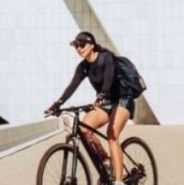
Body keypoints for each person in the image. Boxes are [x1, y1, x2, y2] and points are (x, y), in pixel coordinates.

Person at [45, 31, 135, 185]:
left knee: (112, 135)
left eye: (82, 45)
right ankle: (106, 160)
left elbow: (109, 77)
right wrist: (57, 104)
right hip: (105, 102)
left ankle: (119, 181)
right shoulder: (83, 67)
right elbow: (72, 86)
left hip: (123, 99)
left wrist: (102, 95)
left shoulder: (105, 58)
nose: (79, 48)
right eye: (76, 46)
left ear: (92, 45)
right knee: (85, 130)